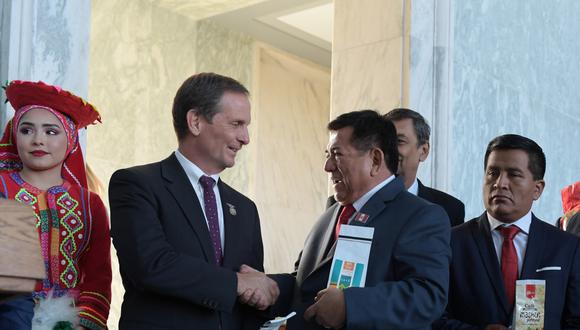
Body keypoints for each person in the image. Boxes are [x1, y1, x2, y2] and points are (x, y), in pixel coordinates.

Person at [108, 72, 279, 330]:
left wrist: (264, 295)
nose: (246, 138)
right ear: (196, 121)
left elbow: (251, 291)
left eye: (246, 126)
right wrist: (236, 283)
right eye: (236, 124)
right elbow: (151, 265)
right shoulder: (136, 184)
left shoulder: (245, 208)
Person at [287, 110, 451, 329]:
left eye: (337, 154)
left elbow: (428, 296)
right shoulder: (330, 214)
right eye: (327, 154)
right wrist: (269, 286)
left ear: (375, 159)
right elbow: (304, 281)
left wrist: (350, 306)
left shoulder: (420, 216)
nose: (327, 166)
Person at [434, 134, 580, 329]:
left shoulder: (566, 247)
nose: (500, 183)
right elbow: (433, 317)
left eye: (513, 174)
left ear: (537, 189)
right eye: (493, 173)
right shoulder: (451, 242)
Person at [0, 80, 112, 330]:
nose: (38, 140)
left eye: (51, 132)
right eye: (27, 130)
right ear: (14, 134)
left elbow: (98, 275)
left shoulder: (90, 203)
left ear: (71, 140)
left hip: (70, 322)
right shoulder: (3, 189)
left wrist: (83, 323)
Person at [383, 108, 465, 226]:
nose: (388, 150)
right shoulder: (360, 204)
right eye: (384, 142)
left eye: (399, 141)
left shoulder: (450, 209)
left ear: (423, 151)